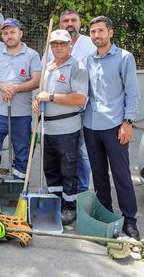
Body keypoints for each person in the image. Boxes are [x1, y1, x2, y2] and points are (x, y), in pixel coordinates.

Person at [82, 16, 141, 239]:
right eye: (93, 32)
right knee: (98, 174)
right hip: (90, 124)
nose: (96, 35)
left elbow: (132, 92)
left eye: (100, 31)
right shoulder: (89, 60)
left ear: (110, 32)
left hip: (115, 126)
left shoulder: (124, 58)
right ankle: (106, 213)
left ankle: (130, 220)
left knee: (121, 174)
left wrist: (128, 122)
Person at [32, 29, 88, 225]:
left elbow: (80, 98)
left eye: (62, 44)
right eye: (54, 44)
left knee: (68, 170)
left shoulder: (77, 67)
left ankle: (69, 206)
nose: (58, 47)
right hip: (46, 128)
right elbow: (42, 94)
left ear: (70, 45)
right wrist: (37, 101)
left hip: (67, 129)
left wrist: (51, 97)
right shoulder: (48, 66)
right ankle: (55, 202)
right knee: (51, 169)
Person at [0, 18, 41, 179]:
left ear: (20, 33)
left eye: (12, 32)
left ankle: (17, 188)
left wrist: (15, 88)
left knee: (22, 151)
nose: (9, 36)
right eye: (5, 33)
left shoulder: (32, 55)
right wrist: (2, 85)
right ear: (1, 36)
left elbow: (36, 81)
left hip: (21, 115)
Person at [47, 10, 96, 193]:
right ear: (60, 25)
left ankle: (81, 191)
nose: (70, 23)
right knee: (62, 155)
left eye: (73, 20)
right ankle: (62, 193)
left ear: (80, 23)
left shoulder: (90, 44)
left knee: (82, 153)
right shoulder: (51, 49)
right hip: (60, 112)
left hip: (85, 106)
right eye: (65, 20)